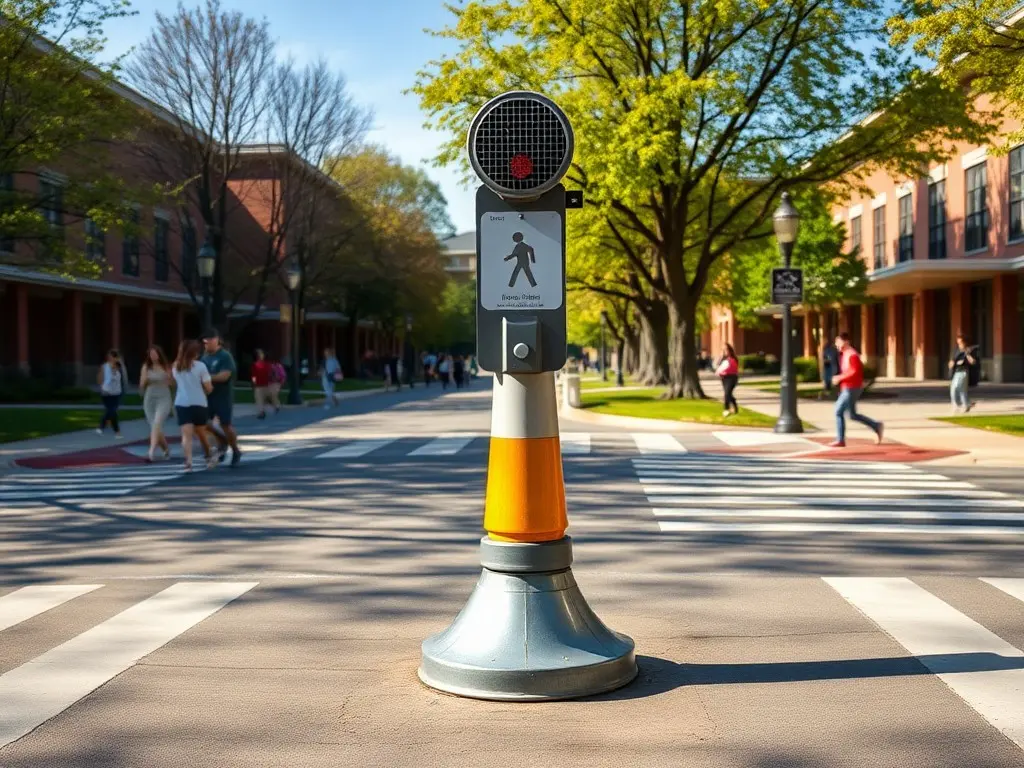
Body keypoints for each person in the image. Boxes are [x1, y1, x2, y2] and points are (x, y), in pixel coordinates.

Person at [831, 331, 884, 448]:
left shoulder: (852, 354)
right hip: (848, 388)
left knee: (838, 411)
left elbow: (854, 371)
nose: (836, 345)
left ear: (846, 342)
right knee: (852, 415)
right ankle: (876, 425)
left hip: (852, 388)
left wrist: (839, 378)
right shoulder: (845, 354)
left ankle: (840, 440)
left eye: (838, 342)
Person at [172, 339, 215, 471]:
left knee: (186, 435)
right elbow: (209, 387)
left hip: (182, 402)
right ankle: (208, 455)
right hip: (199, 403)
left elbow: (176, 383)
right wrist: (205, 390)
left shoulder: (176, 366)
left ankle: (188, 462)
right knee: (201, 433)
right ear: (194, 353)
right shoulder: (201, 366)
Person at [201, 329, 241, 466]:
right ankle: (222, 441)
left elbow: (225, 376)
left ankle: (235, 450)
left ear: (216, 340)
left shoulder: (225, 356)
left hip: (223, 396)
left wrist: (206, 378)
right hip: (207, 396)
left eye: (209, 341)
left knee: (225, 424)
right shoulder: (204, 357)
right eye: (205, 342)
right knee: (203, 423)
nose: (206, 344)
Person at [140, 345, 173, 462]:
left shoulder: (166, 366)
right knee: (155, 427)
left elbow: (172, 383)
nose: (153, 356)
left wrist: (169, 378)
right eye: (151, 354)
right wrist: (145, 381)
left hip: (164, 397)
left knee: (157, 423)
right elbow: (141, 385)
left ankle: (151, 452)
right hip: (150, 398)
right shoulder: (146, 367)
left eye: (155, 353)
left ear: (159, 354)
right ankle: (166, 450)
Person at [96, 349, 124, 438]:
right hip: (106, 393)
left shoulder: (120, 367)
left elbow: (123, 380)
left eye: (113, 357)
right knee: (112, 412)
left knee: (112, 412)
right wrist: (101, 387)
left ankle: (103, 426)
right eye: (109, 357)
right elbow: (99, 379)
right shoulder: (104, 367)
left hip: (117, 393)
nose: (111, 359)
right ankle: (116, 431)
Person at [948, 334, 976, 413]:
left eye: (961, 342)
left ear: (965, 343)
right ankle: (964, 404)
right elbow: (951, 361)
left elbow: (973, 362)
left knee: (959, 388)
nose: (959, 344)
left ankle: (965, 404)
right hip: (956, 372)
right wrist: (952, 364)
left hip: (964, 372)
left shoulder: (968, 351)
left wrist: (967, 354)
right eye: (958, 342)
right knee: (955, 389)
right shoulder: (955, 351)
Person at [715, 343, 740, 417]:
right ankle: (735, 407)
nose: (724, 351)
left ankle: (726, 409)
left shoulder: (733, 359)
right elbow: (717, 366)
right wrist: (721, 357)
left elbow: (731, 367)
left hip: (732, 378)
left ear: (729, 350)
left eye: (726, 349)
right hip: (724, 378)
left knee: (727, 394)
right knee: (728, 394)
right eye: (723, 350)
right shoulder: (723, 359)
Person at [251, 349, 272, 419]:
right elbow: (253, 376)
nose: (260, 355)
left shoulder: (268, 364)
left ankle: (262, 411)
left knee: (261, 399)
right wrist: (254, 384)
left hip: (265, 384)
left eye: (261, 354)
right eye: (259, 354)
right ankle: (261, 412)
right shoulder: (255, 365)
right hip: (259, 385)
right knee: (259, 399)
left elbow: (270, 375)